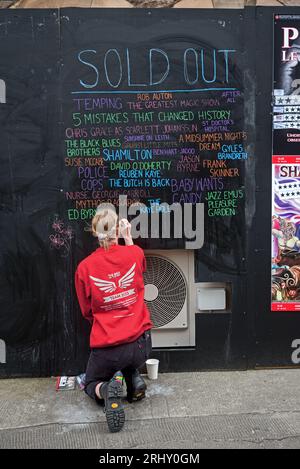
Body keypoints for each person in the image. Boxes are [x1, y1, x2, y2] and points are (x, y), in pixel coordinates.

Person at [75, 206, 153, 433]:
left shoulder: (84, 268)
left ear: (94, 231)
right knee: (128, 358)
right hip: (141, 346)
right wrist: (128, 239)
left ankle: (108, 389)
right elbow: (140, 267)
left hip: (108, 348)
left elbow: (86, 311)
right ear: (118, 229)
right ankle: (133, 379)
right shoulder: (134, 253)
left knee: (90, 383)